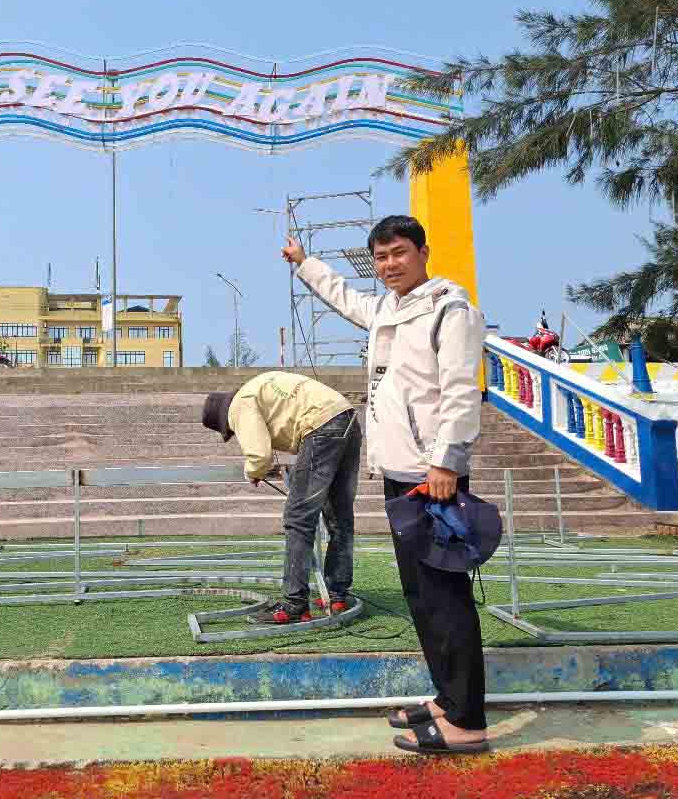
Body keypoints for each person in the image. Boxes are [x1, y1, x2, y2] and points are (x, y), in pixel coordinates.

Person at [284, 214, 489, 755]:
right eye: (380, 257)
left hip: (434, 477)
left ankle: (467, 722)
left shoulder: (451, 308)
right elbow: (347, 299)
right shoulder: (389, 310)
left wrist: (447, 462)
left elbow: (462, 392)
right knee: (420, 596)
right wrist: (306, 265)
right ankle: (448, 699)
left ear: (423, 251)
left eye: (398, 252)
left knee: (446, 598)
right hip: (399, 475)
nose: (389, 265)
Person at [201, 371, 362, 623]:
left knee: (298, 518)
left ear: (225, 419)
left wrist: (253, 471)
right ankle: (337, 593)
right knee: (339, 516)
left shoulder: (240, 405)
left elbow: (259, 455)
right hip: (347, 418)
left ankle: (295, 604)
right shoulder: (256, 388)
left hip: (321, 425)